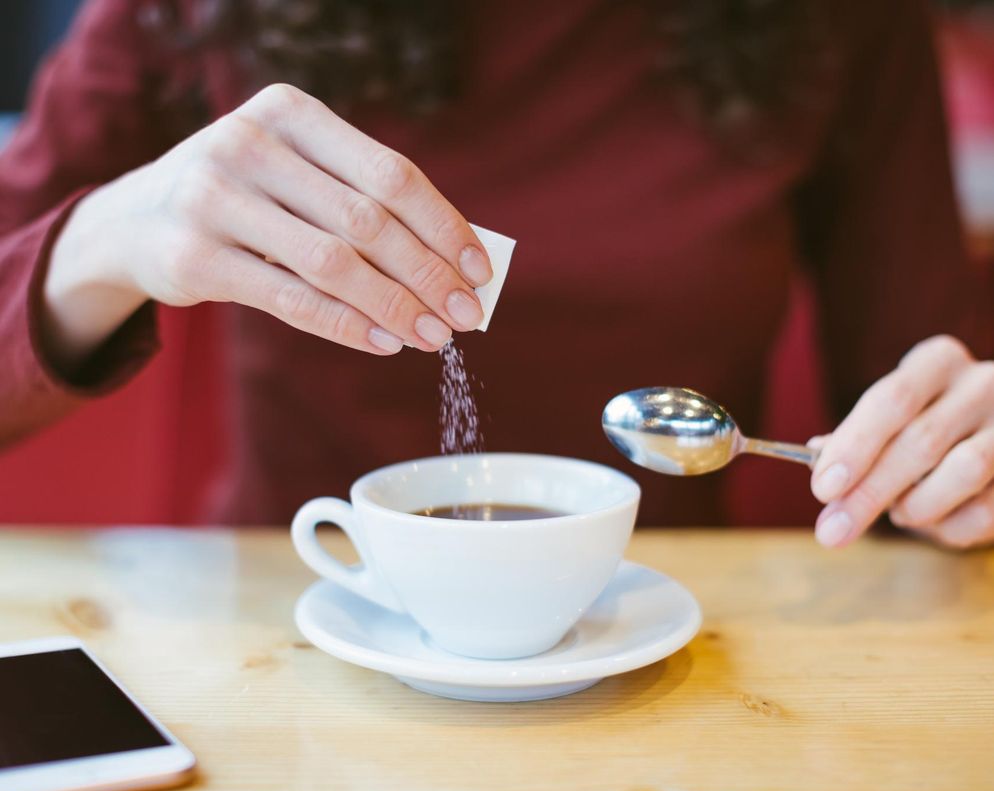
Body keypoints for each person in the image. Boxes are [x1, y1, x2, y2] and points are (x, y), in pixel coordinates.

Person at [0, 0, 992, 548]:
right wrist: (106, 237)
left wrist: (955, 456)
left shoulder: (839, 22)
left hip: (675, 639)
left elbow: (921, 398)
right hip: (294, 619)